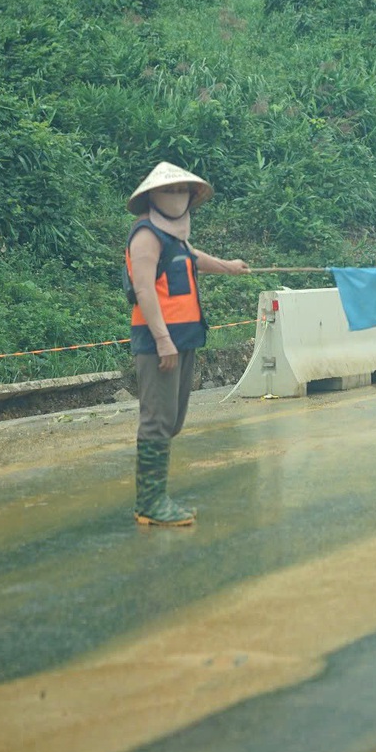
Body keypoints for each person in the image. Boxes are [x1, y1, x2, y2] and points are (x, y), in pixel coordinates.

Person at [122, 163, 247, 526]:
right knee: (158, 421)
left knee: (172, 420)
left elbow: (193, 259)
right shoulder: (146, 235)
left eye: (182, 191)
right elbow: (144, 289)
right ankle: (150, 503)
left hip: (184, 337)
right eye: (169, 191)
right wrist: (163, 340)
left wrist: (228, 266)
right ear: (152, 197)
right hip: (160, 342)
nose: (177, 198)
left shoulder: (174, 236)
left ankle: (154, 500)